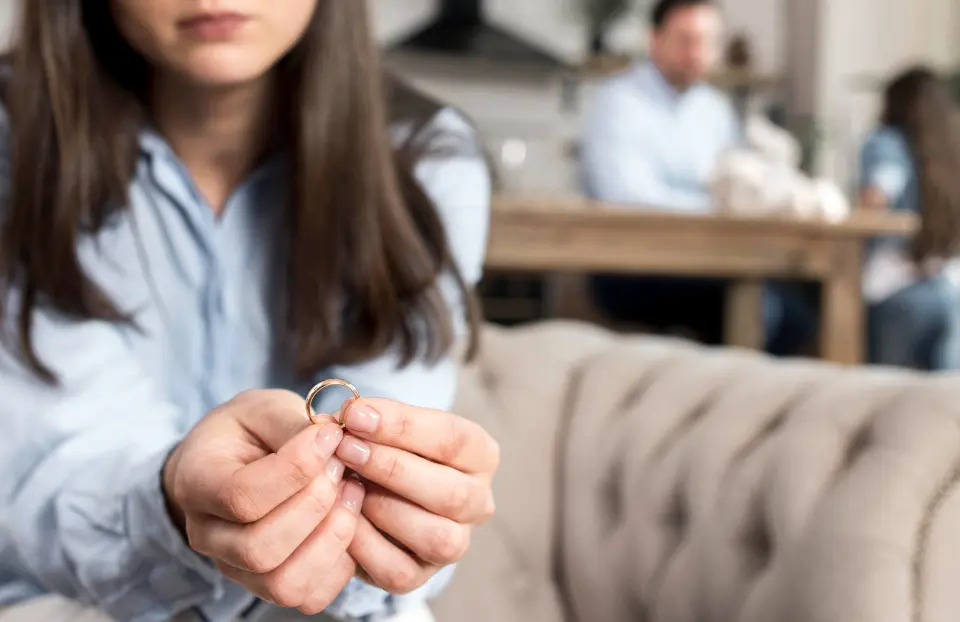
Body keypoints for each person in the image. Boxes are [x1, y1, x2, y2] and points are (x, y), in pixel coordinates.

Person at [0, 2, 498, 622]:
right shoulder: (13, 139)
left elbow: (386, 472)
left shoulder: (426, 158)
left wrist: (400, 519)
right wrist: (172, 499)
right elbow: (45, 476)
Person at [580, 0, 796, 351]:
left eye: (707, 42)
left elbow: (735, 185)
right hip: (633, 265)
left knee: (799, 309)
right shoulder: (617, 102)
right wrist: (715, 207)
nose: (697, 53)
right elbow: (624, 196)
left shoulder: (714, 110)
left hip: (710, 260)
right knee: (762, 306)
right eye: (686, 40)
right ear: (655, 39)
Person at [858, 66, 960, 369]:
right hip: (951, 289)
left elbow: (878, 194)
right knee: (944, 394)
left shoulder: (886, 144)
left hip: (896, 291)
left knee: (886, 390)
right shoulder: (949, 156)